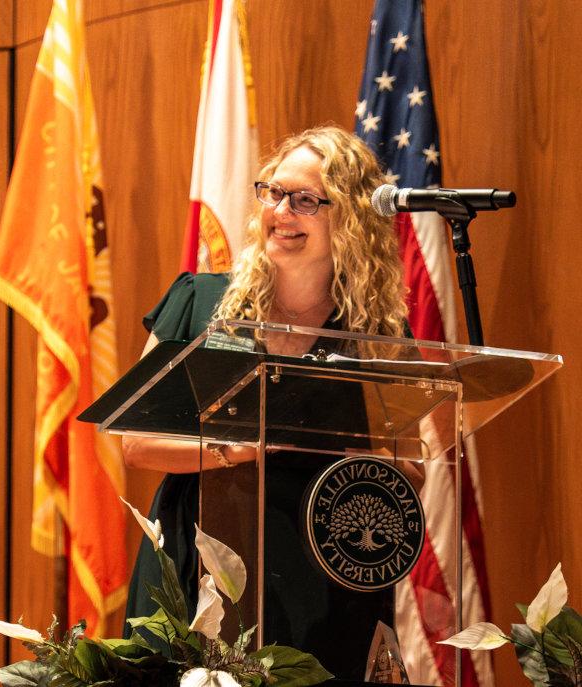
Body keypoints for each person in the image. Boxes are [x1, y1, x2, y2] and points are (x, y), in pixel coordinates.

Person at [122, 125, 422, 678]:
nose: (282, 211)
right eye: (274, 193)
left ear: (351, 219)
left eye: (306, 200)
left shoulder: (375, 335)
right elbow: (135, 443)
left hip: (325, 574)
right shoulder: (200, 303)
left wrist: (370, 462)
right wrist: (249, 447)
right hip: (200, 559)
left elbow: (412, 468)